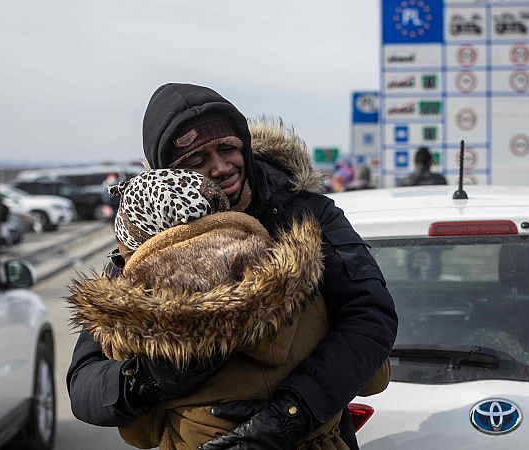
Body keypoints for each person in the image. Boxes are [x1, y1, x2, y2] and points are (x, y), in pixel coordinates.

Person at [67, 83, 398, 450]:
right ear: (169, 177)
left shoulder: (306, 215)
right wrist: (152, 379)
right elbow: (84, 384)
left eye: (228, 148)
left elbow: (371, 317)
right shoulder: (147, 250)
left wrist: (290, 414)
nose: (221, 167)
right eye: (196, 160)